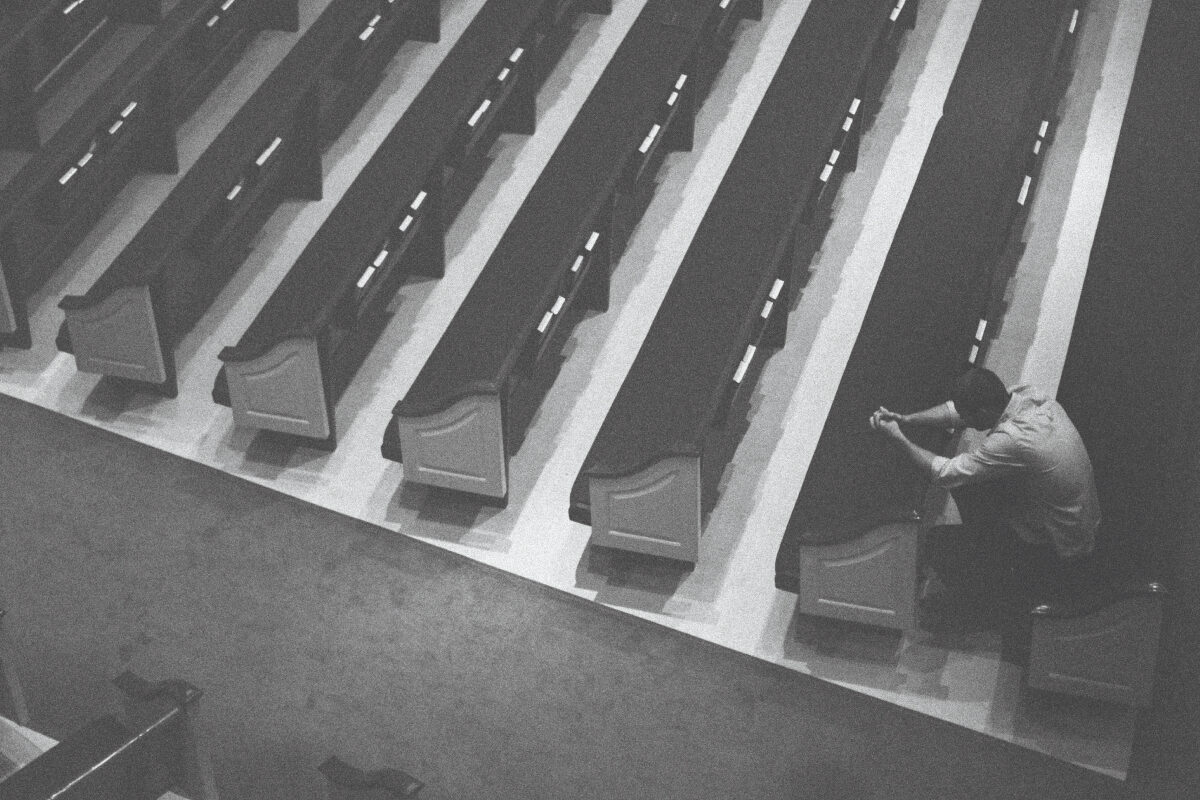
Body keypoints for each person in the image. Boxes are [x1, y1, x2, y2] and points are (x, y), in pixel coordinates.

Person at [868, 367, 1103, 615]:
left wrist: (899, 438)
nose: (963, 422)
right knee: (971, 488)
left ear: (982, 412)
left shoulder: (1014, 439)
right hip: (1080, 523)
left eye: (968, 416)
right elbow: (956, 412)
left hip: (1062, 550)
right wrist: (906, 419)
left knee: (938, 544)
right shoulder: (1028, 396)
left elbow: (947, 472)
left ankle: (993, 605)